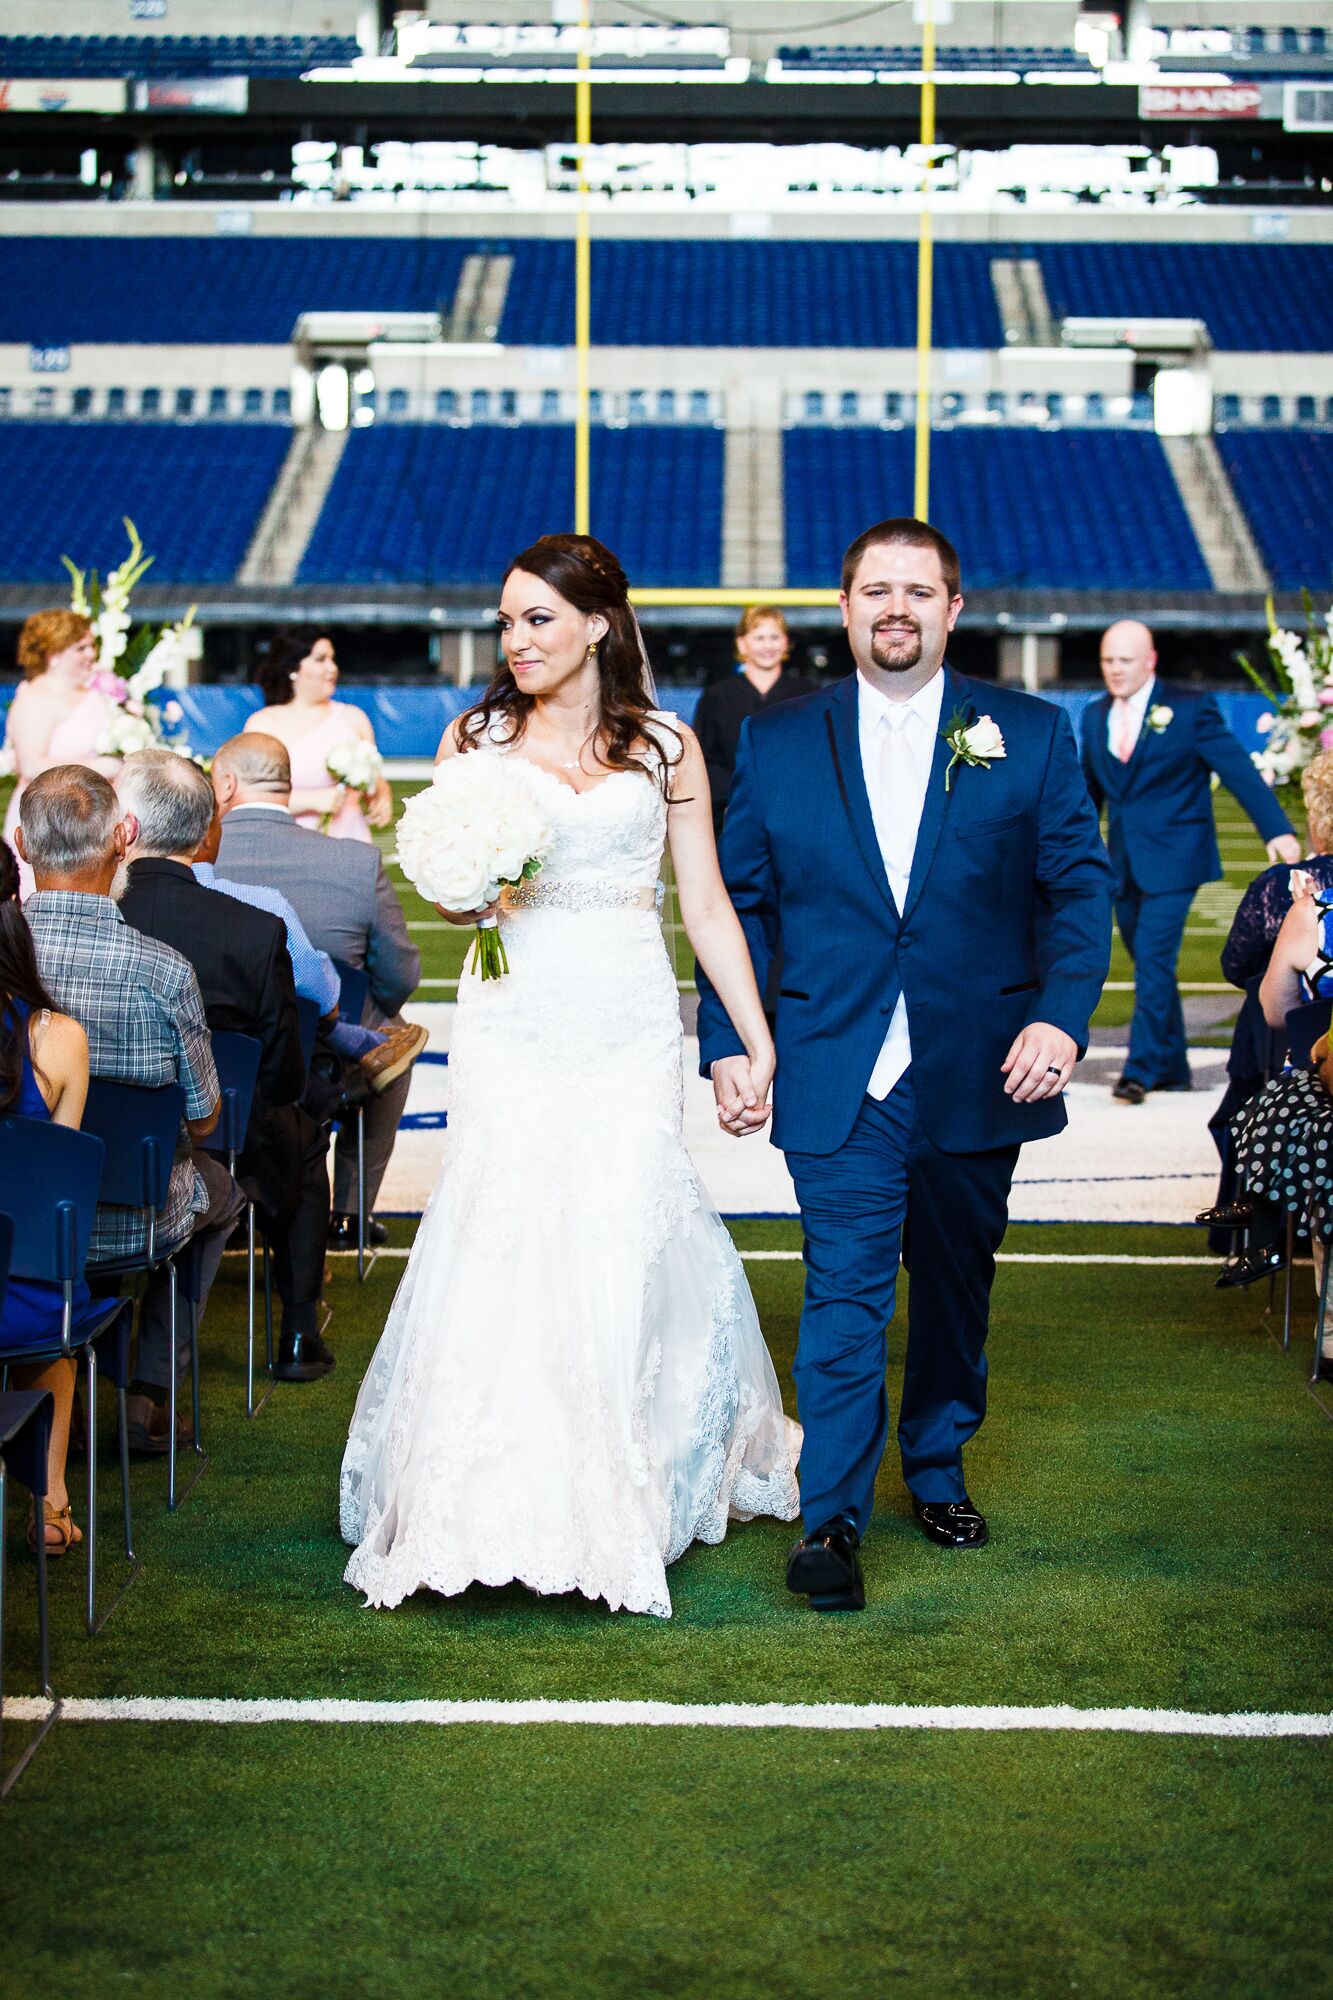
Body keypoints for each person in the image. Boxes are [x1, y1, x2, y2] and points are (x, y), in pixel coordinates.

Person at [339, 533, 800, 1616]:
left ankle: (624, 1469)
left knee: (619, 1213)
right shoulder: (475, 735)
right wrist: (467, 888)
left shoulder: (666, 748)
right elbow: (455, 895)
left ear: (599, 622)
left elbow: (708, 905)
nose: (518, 638)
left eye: (538, 617)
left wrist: (753, 1030)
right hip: (514, 1009)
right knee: (506, 1214)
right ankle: (485, 1485)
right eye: (507, 620)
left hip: (629, 1014)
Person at [698, 517, 1113, 1613]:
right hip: (836, 1066)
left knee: (954, 1290)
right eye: (875, 589)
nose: (896, 607)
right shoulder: (781, 741)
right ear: (843, 609)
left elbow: (1076, 889)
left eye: (918, 591)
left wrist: (1064, 1018)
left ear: (953, 609)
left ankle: (935, 1466)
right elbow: (738, 900)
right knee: (842, 1291)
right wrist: (730, 1042)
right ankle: (831, 1513)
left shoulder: (1026, 731)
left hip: (980, 1067)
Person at [15, 766, 244, 1455]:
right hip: (130, 1218)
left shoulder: (11, 949)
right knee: (223, 1191)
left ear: (24, 845)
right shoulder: (162, 969)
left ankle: (67, 1387)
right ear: (124, 837)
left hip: (20, 1229)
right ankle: (149, 1390)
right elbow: (202, 1118)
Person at [114, 748, 336, 1382]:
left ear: (125, 828)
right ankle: (296, 1328)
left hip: (100, 1150)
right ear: (209, 830)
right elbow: (282, 1076)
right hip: (230, 1145)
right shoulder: (257, 928)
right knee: (300, 1127)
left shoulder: (101, 922)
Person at [210, 733, 424, 1245]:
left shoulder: (191, 865)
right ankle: (348, 1212)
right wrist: (354, 1018)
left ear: (225, 783)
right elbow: (399, 973)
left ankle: (223, 1198)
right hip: (321, 1056)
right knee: (393, 1046)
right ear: (286, 785)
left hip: (216, 1062)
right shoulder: (355, 862)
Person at [1080, 619, 1299, 1106]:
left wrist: (1277, 829)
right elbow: (1088, 795)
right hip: (1122, 864)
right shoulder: (1094, 716)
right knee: (1150, 964)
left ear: (1150, 661)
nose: (1115, 671)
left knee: (1154, 963)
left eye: (1125, 661)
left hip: (1177, 861)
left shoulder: (1190, 708)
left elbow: (1237, 769)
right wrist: (1067, 852)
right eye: (1108, 661)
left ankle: (1138, 1070)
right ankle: (1174, 1067)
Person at [0, 837, 124, 1555]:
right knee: (53, 1294)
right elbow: (52, 1202)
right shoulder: (56, 1037)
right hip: (27, 1300)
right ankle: (49, 1503)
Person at [1197, 752, 1333, 1248]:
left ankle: (1267, 1228)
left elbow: (1247, 977)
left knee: (1269, 1073)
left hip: (1303, 1070)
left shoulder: (1296, 897)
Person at [2, 610, 122, 897]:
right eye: (81, 648)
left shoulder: (97, 695)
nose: (91, 654)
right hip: (45, 815)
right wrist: (101, 766)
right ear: (53, 653)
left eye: (92, 646)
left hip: (89, 814)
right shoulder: (34, 699)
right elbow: (31, 765)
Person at [244, 630, 392, 841]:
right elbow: (252, 798)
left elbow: (376, 780)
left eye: (332, 659)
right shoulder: (262, 723)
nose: (332, 668)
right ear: (293, 668)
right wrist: (312, 800)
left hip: (350, 840)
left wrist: (382, 796)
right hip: (288, 843)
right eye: (320, 659)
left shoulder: (354, 718)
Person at [692, 607, 816, 837]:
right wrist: (737, 800)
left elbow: (814, 756)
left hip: (794, 815)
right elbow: (707, 758)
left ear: (786, 642)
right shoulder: (717, 696)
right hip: (733, 817)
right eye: (759, 638)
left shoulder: (807, 694)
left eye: (774, 637)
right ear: (742, 644)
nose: (768, 646)